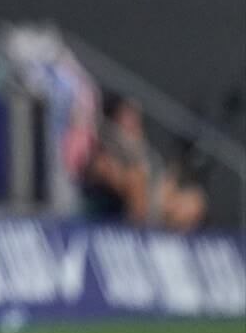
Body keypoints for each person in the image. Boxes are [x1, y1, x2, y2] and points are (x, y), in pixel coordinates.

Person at [83, 95, 206, 231]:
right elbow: (117, 178)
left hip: (156, 207)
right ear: (114, 121)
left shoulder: (146, 152)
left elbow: (164, 182)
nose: (134, 125)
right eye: (128, 119)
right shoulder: (104, 152)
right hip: (119, 211)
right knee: (136, 179)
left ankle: (173, 244)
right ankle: (141, 234)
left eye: (136, 119)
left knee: (194, 199)